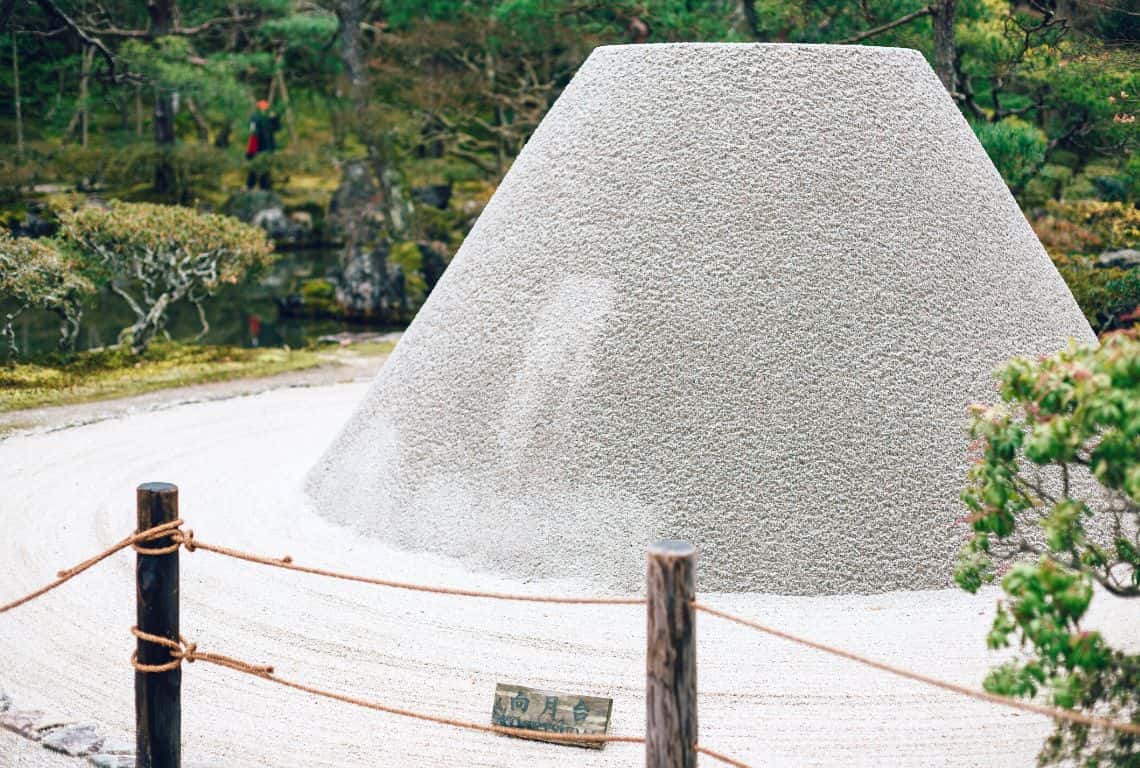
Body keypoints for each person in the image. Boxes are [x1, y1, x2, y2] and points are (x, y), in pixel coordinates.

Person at [245, 99, 280, 190]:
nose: (264, 107)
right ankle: (250, 185)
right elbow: (253, 131)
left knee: (266, 166)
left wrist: (275, 118)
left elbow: (277, 128)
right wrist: (252, 146)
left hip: (268, 146)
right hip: (258, 145)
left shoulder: (270, 117)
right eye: (262, 105)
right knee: (254, 165)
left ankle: (265, 186)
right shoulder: (255, 117)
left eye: (265, 105)